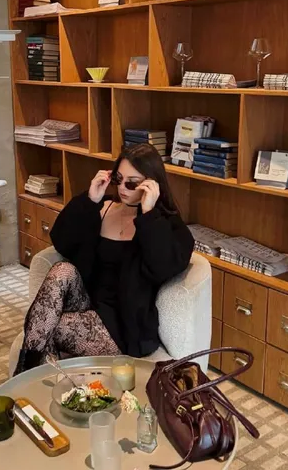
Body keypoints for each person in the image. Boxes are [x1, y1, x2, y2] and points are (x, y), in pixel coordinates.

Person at [14, 144, 194, 375]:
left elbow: (163, 267)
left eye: (132, 183)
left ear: (151, 185)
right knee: (62, 269)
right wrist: (90, 199)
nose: (122, 188)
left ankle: (24, 378)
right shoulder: (104, 208)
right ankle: (31, 379)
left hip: (123, 325)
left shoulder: (166, 225)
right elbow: (62, 241)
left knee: (45, 324)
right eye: (118, 179)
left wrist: (149, 215)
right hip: (87, 303)